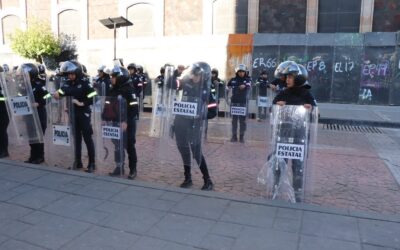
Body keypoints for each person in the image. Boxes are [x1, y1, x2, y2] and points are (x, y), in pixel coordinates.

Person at [272, 61, 316, 201]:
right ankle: (275, 188)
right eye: (286, 77)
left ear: (297, 78)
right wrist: (277, 107)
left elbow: (316, 114)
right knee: (279, 164)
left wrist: (311, 109)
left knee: (298, 166)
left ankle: (297, 192)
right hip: (283, 134)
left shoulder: (307, 94)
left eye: (290, 77)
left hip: (299, 136)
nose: (287, 80)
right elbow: (272, 109)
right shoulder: (283, 93)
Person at [171, 62, 216, 190]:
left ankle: (208, 180)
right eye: (193, 74)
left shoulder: (206, 89)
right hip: (180, 122)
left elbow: (213, 111)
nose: (194, 77)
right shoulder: (185, 82)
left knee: (196, 152)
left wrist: (200, 115)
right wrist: (176, 73)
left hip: (194, 125)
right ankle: (187, 178)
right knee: (183, 150)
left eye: (198, 75)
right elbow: (170, 84)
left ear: (203, 76)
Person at [53, 60, 97, 172]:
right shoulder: (67, 83)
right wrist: (56, 94)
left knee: (87, 138)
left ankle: (92, 163)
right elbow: (61, 92)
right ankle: (77, 161)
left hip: (84, 114)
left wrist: (82, 103)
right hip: (72, 114)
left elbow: (94, 95)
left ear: (77, 73)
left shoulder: (85, 83)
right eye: (68, 74)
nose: (70, 76)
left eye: (72, 74)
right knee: (76, 138)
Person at [107, 65, 140, 179]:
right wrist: (104, 118)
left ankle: (133, 169)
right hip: (116, 122)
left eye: (114, 76)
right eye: (111, 77)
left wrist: (126, 121)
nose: (111, 79)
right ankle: (119, 166)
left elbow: (134, 108)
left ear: (120, 77)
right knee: (117, 145)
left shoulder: (129, 89)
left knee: (129, 145)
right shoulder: (112, 90)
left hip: (128, 123)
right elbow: (108, 105)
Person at [19, 63, 51, 164]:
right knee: (31, 137)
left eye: (24, 74)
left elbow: (48, 97)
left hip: (39, 115)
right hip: (28, 116)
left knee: (39, 137)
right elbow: (20, 96)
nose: (21, 76)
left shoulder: (38, 85)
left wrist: (38, 103)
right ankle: (32, 156)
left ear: (30, 74)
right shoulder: (23, 85)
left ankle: (40, 157)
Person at [227, 64, 251, 143]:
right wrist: (228, 91)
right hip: (234, 102)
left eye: (243, 72)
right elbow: (227, 87)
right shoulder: (233, 80)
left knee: (242, 121)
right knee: (234, 120)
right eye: (240, 72)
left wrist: (244, 85)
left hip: (243, 103)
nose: (241, 73)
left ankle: (241, 136)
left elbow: (249, 85)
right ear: (237, 72)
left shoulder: (247, 79)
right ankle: (234, 136)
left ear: (245, 72)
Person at [0, 65, 9, 158]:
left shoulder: (4, 83)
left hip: (3, 111)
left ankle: (4, 151)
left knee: (2, 131)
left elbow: (6, 97)